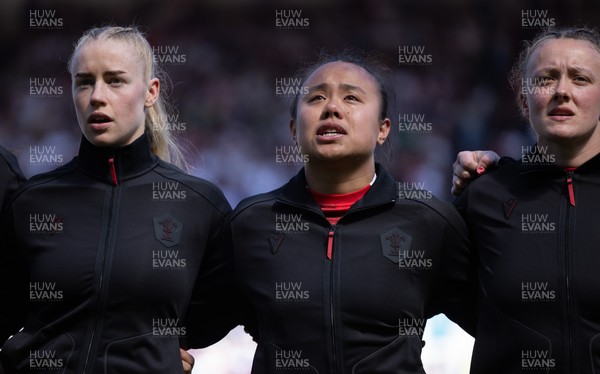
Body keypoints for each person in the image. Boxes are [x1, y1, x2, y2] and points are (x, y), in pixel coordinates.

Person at [0, 26, 236, 373]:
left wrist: (161, 352)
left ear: (150, 92)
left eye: (115, 80)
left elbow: (217, 310)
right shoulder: (31, 202)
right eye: (84, 81)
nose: (97, 96)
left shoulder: (200, 205)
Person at [222, 52, 477, 373]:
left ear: (383, 129)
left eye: (352, 97)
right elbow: (195, 323)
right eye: (316, 97)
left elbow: (501, 323)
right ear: (292, 129)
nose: (331, 107)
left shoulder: (430, 221)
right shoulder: (250, 223)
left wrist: (497, 180)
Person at [453, 26, 600, 373]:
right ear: (523, 100)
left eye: (580, 79)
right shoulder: (484, 194)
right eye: (546, 79)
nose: (562, 91)